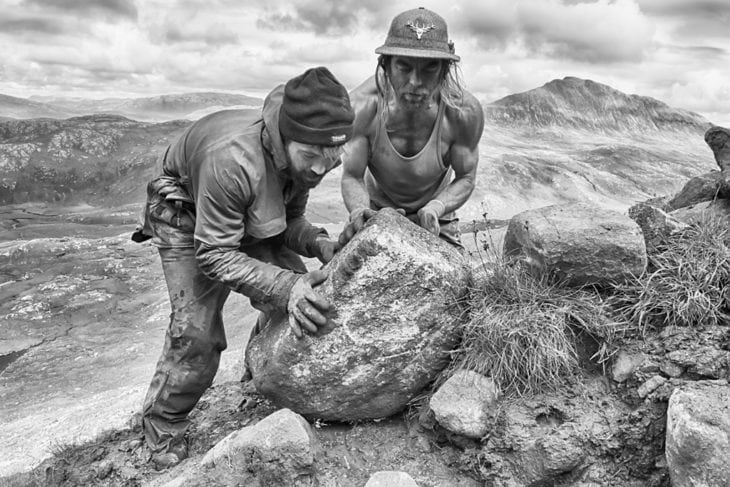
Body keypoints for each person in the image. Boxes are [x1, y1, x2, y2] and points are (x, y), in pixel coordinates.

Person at [132, 67, 355, 469]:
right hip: (188, 216)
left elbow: (287, 220)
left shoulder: (306, 152)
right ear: (283, 137)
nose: (320, 171)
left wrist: (318, 242)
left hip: (242, 213)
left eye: (332, 159)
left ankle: (260, 379)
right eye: (310, 158)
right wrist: (288, 286)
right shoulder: (231, 160)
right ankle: (162, 423)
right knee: (197, 333)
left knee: (305, 305)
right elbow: (215, 254)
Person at [340, 7, 484, 247]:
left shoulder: (464, 113)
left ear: (444, 70)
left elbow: (466, 176)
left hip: (438, 215)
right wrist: (358, 212)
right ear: (385, 65)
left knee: (462, 281)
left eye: (429, 67)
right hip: (375, 212)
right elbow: (352, 176)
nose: (415, 82)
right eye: (404, 67)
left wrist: (437, 208)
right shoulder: (361, 108)